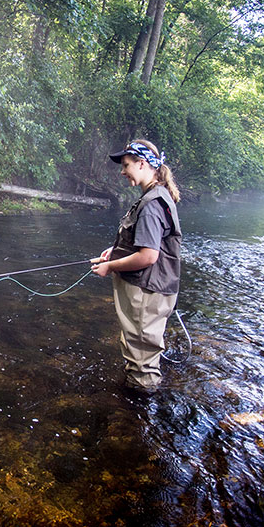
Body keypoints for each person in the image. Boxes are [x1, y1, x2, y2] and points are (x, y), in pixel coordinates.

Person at [91, 139, 182, 390]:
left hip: (147, 291)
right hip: (149, 289)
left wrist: (110, 266)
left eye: (126, 165)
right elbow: (146, 244)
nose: (122, 171)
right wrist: (117, 250)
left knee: (142, 360)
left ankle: (139, 412)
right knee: (139, 349)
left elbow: (148, 256)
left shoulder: (152, 204)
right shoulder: (155, 196)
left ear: (142, 164)